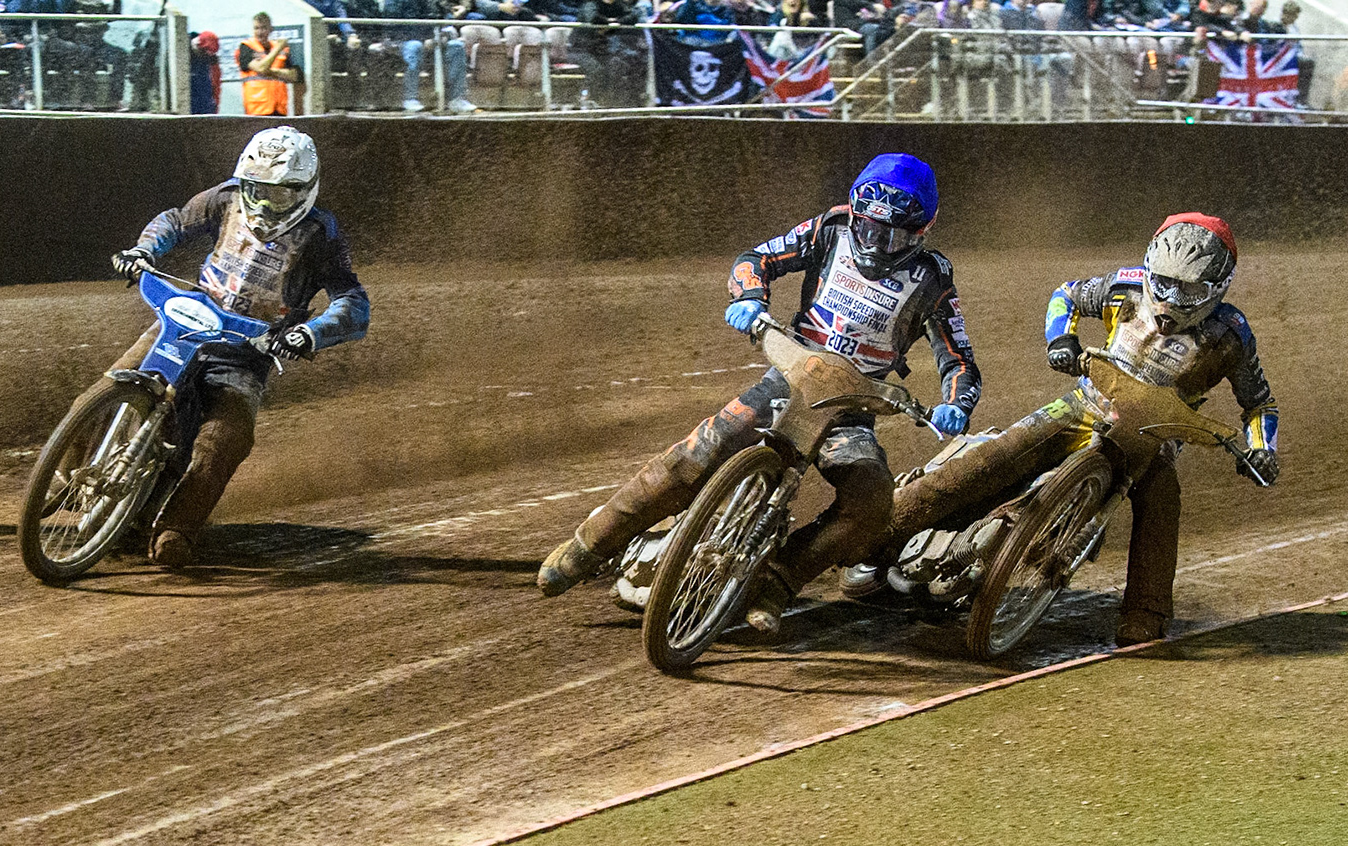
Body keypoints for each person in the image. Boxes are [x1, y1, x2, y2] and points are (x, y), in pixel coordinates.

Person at [538, 153, 982, 634]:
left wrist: (956, 403)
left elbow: (958, 358)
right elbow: (758, 259)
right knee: (697, 453)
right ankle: (588, 546)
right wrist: (750, 296)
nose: (875, 242)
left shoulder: (934, 280)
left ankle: (779, 582)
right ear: (855, 214)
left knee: (872, 501)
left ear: (921, 233)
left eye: (891, 235)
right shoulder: (830, 228)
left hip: (851, 412)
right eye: (868, 228)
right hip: (788, 379)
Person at [874, 213, 1279, 645]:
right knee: (993, 457)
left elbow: (1259, 403)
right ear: (1148, 267)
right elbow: (1065, 295)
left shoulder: (1233, 336)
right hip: (1083, 404)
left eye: (1190, 290)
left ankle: (1146, 613)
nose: (1171, 299)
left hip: (1156, 438)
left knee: (1162, 505)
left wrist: (1261, 449)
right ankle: (878, 532)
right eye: (1163, 281)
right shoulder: (1124, 285)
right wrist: (1060, 339)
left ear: (1218, 289)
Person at [107, 127, 370, 567]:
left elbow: (352, 300)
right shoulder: (226, 197)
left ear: (304, 190)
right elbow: (174, 221)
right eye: (256, 191)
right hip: (184, 324)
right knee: (112, 388)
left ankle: (177, 528)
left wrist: (310, 333)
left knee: (226, 438)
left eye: (278, 196)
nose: (264, 205)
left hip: (246, 352)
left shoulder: (321, 233)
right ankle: (72, 471)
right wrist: (142, 251)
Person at [239, 12, 300, 115]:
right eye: (256, 28)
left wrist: (270, 71)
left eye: (263, 28)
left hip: (279, 108)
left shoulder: (281, 48)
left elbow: (293, 76)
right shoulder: (246, 47)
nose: (260, 32)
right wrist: (277, 49)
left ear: (270, 29)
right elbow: (261, 69)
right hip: (257, 109)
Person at [191, 30, 222, 113]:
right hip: (190, 103)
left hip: (205, 105)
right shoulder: (182, 54)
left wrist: (216, 104)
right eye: (205, 52)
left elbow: (216, 84)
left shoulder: (212, 61)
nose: (207, 56)